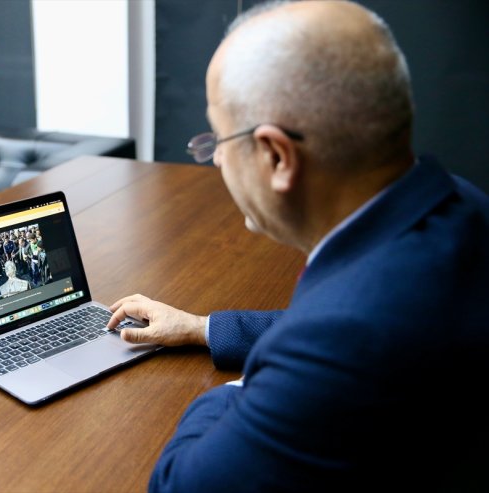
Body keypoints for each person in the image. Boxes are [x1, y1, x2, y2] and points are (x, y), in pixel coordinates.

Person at [107, 1, 489, 491]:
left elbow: (179, 483)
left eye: (219, 139)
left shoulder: (340, 347)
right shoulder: (461, 202)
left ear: (276, 155)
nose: (218, 159)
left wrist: (246, 388)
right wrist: (204, 329)